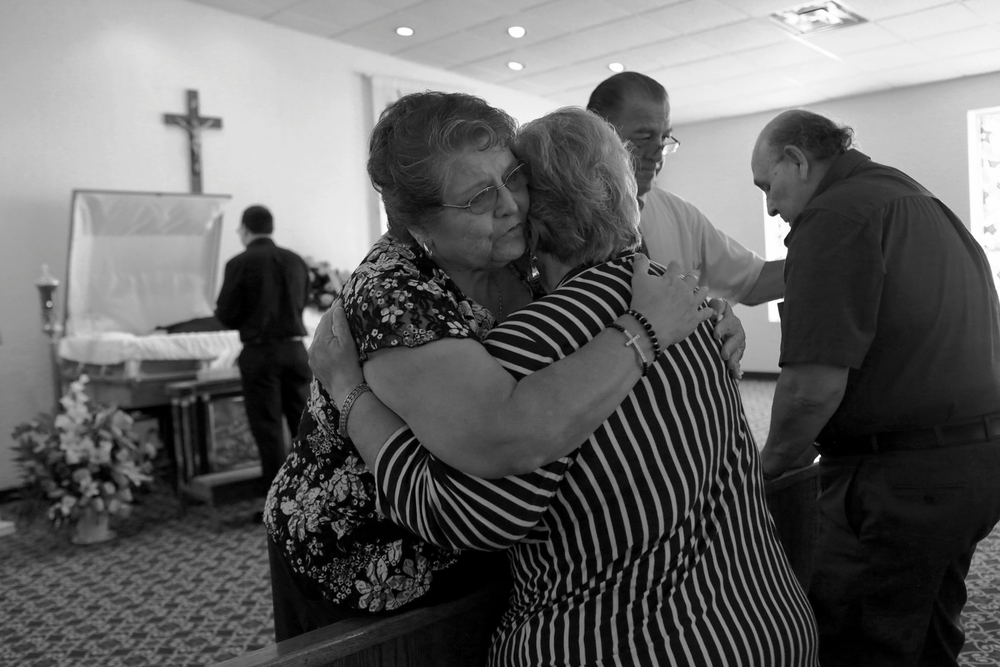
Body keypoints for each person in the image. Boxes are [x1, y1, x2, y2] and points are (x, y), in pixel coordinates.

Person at [317, 107, 818, 666]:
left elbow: (467, 519)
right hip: (768, 621)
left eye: (512, 183)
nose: (507, 205)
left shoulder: (535, 341)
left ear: (537, 215)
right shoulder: (680, 299)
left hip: (634, 643)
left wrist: (350, 397)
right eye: (482, 196)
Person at [751, 109, 1000, 667]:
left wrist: (767, 473)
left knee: (858, 639)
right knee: (929, 629)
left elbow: (810, 390)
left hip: (899, 483)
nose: (770, 205)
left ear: (797, 160)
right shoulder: (914, 197)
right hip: (973, 464)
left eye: (769, 185)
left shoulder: (834, 216)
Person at [587, 71, 784, 305]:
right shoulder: (558, 217)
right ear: (598, 134)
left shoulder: (680, 216)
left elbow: (753, 282)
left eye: (664, 138)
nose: (658, 154)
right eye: (643, 137)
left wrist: (827, 256)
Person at [215, 205, 312, 491]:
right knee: (304, 426)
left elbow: (226, 314)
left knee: (268, 430)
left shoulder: (239, 263)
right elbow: (302, 301)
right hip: (296, 351)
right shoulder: (295, 260)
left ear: (245, 230)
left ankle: (278, 502)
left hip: (260, 353)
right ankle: (313, 497)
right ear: (271, 227)